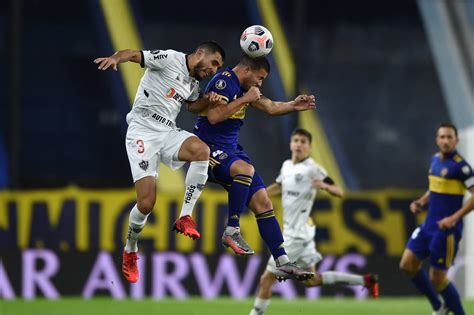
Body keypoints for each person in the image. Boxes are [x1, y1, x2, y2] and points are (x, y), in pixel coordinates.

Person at [94, 41, 225, 283]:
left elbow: (193, 106)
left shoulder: (193, 82)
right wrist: (115, 58)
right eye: (214, 63)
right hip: (142, 130)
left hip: (166, 132)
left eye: (218, 68)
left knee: (201, 151)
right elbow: (134, 54)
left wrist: (209, 100)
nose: (214, 71)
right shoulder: (170, 57)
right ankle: (130, 249)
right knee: (146, 204)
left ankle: (185, 216)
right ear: (199, 53)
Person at [193, 55, 315, 281]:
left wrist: (293, 105)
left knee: (263, 201)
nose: (260, 83)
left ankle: (283, 262)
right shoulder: (224, 82)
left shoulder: (245, 87)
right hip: (207, 149)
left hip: (231, 150)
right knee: (244, 170)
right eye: (260, 78)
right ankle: (232, 230)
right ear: (248, 70)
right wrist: (245, 98)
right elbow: (213, 117)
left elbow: (269, 106)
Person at [249, 128, 379, 315]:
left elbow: (339, 191)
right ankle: (365, 281)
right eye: (296, 140)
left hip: (296, 235)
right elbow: (280, 186)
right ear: (291, 144)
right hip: (301, 232)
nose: (299, 144)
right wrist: (257, 195)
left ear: (309, 147)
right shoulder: (286, 166)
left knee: (266, 279)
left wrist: (324, 186)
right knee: (312, 281)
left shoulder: (313, 168)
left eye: (303, 142)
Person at [399, 123, 474, 315]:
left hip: (446, 230)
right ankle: (438, 306)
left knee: (437, 279)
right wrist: (421, 202)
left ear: (456, 140)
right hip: (428, 226)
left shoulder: (461, 167)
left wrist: (454, 218)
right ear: (437, 140)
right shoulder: (434, 161)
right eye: (442, 137)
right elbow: (434, 188)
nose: (446, 141)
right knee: (407, 265)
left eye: (450, 137)